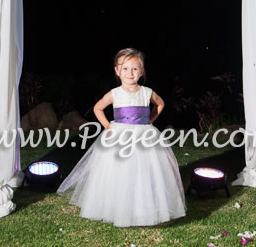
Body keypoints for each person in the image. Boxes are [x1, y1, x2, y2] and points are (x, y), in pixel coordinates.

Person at [57, 48, 186, 227]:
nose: (129, 73)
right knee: (118, 171)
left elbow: (160, 104)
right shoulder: (115, 93)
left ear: (141, 72)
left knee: (145, 171)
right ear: (117, 71)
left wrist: (150, 120)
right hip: (119, 136)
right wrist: (108, 126)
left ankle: (143, 208)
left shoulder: (147, 92)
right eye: (125, 68)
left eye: (134, 69)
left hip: (143, 134)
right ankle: (116, 206)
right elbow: (97, 108)